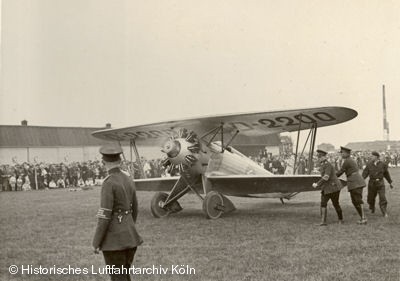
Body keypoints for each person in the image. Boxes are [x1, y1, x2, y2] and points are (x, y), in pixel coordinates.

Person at [92, 144, 143, 281]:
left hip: (114, 241)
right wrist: (128, 226)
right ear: (120, 161)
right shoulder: (128, 178)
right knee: (124, 276)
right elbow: (135, 208)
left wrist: (96, 242)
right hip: (130, 236)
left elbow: (104, 216)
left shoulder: (108, 183)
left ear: (103, 163)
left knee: (118, 277)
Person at [336, 146, 367, 224]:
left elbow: (340, 172)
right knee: (354, 201)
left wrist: (332, 177)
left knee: (358, 200)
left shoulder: (347, 161)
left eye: (342, 153)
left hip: (355, 182)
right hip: (354, 182)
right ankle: (362, 217)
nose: (341, 154)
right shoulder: (349, 160)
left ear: (347, 153)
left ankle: (363, 218)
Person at [312, 149, 343, 226]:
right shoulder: (323, 164)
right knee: (323, 203)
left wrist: (317, 184)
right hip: (327, 187)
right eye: (318, 157)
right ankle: (323, 221)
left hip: (333, 188)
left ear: (323, 157)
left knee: (335, 203)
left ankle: (340, 219)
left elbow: (326, 177)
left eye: (320, 157)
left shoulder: (328, 164)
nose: (318, 159)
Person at [362, 151, 394, 217]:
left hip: (380, 183)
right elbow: (364, 174)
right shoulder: (369, 164)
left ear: (376, 157)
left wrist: (390, 182)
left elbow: (386, 174)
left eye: (372, 156)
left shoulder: (383, 164)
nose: (371, 157)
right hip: (372, 184)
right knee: (370, 198)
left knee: (382, 198)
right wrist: (361, 181)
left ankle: (384, 211)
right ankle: (372, 207)